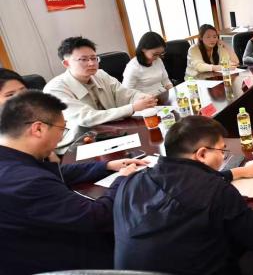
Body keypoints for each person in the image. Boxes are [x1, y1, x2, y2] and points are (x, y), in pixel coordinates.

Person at [114, 115, 253, 274]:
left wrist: (237, 172)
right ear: (202, 154)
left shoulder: (131, 181)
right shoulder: (218, 191)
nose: (223, 157)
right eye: (222, 151)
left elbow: (181, 184)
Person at [0, 90, 145, 274]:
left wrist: (107, 165)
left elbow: (58, 172)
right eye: (62, 130)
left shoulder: (11, 159)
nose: (60, 137)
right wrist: (122, 179)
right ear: (38, 129)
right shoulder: (26, 181)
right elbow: (98, 217)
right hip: (56, 259)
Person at [44, 36, 157, 151]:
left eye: (94, 58)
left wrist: (142, 97)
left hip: (112, 133)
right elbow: (87, 118)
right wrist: (132, 107)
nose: (91, 63)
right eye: (83, 59)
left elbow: (125, 94)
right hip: (78, 144)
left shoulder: (101, 74)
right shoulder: (55, 89)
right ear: (66, 63)